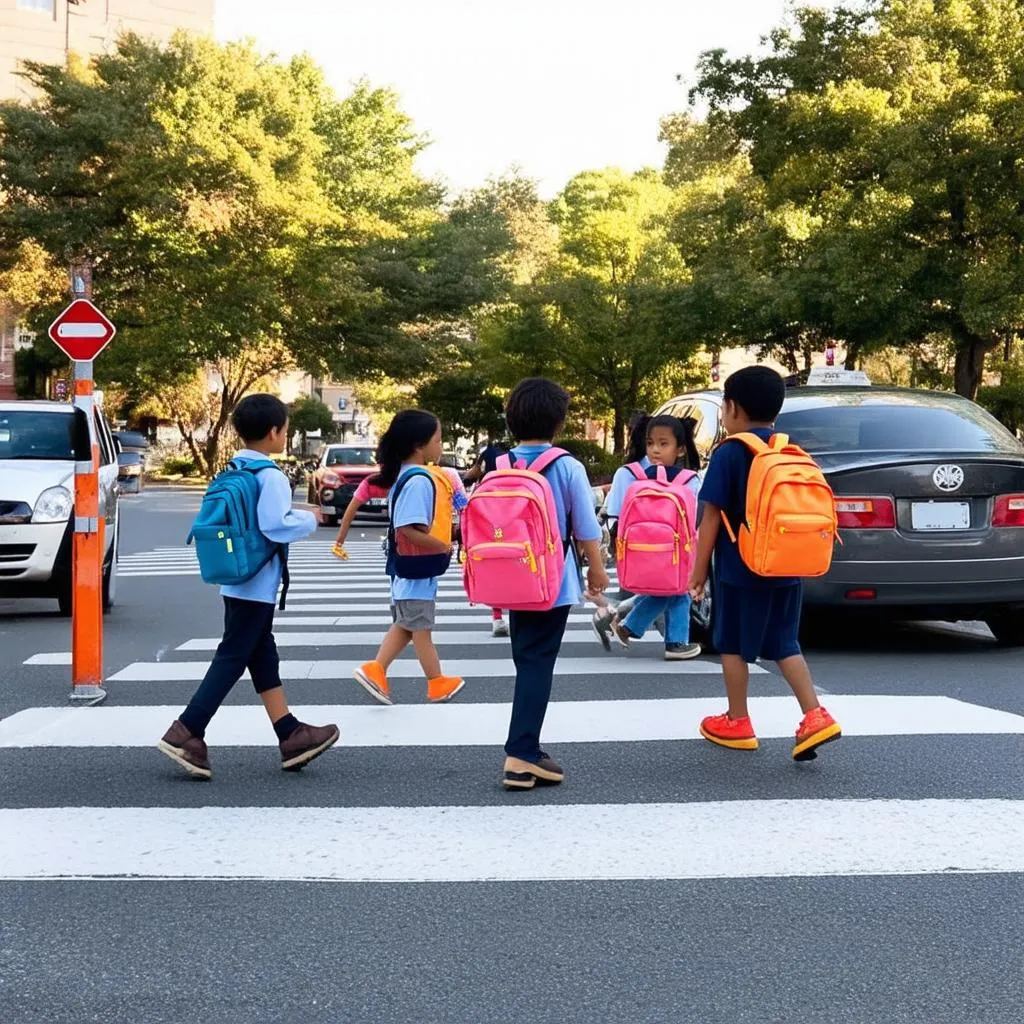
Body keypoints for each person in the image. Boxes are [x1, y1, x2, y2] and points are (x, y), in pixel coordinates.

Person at [157, 395, 339, 780]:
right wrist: (311, 520)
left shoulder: (234, 466)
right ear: (274, 432)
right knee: (233, 657)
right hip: (256, 579)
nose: (285, 436)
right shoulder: (270, 475)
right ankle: (187, 730)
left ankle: (290, 734)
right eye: (285, 430)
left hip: (236, 575)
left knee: (260, 655)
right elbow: (273, 525)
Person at [687, 365, 842, 760]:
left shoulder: (730, 453)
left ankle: (737, 720)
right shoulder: (790, 449)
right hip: (790, 566)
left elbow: (709, 518)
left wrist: (698, 572)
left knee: (733, 645)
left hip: (742, 570)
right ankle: (815, 715)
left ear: (732, 407)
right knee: (785, 643)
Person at [500, 378, 609, 790]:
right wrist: (597, 571)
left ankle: (526, 750)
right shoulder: (567, 466)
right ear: (559, 423)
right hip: (551, 580)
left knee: (526, 658)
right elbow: (585, 527)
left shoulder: (501, 464)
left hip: (509, 577)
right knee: (538, 662)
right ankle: (522, 753)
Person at [353, 410, 465, 706]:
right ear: (419, 445)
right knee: (421, 630)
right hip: (415, 570)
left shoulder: (408, 475)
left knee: (406, 626)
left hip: (409, 571)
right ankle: (436, 682)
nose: (441, 446)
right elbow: (407, 529)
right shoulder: (418, 481)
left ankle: (376, 669)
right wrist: (442, 545)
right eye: (438, 440)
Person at [594, 414, 702, 660]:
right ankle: (669, 641)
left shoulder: (631, 475)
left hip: (640, 548)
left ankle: (633, 628)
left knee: (672, 590)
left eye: (663, 444)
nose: (655, 450)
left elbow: (617, 514)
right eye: (651, 443)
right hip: (674, 549)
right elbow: (696, 519)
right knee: (675, 589)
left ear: (681, 448)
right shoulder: (689, 480)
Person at [332, 468, 467, 559]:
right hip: (431, 543)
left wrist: (339, 542)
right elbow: (464, 508)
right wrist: (461, 544)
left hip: (400, 546)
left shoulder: (376, 481)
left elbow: (351, 510)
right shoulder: (442, 475)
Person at [462, 435, 511, 639]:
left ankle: (497, 617)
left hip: (487, 516)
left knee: (494, 566)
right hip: (512, 514)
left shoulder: (488, 454)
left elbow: (472, 474)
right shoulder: (515, 459)